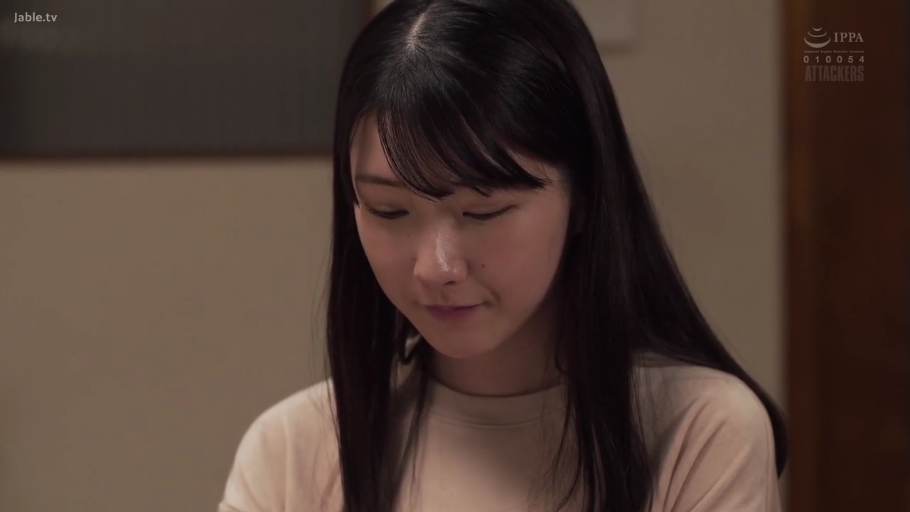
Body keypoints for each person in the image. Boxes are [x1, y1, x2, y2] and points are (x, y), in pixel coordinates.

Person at [218, 0, 788, 511]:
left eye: (482, 212)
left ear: (585, 196)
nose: (435, 267)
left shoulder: (699, 430)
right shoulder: (293, 450)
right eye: (389, 211)